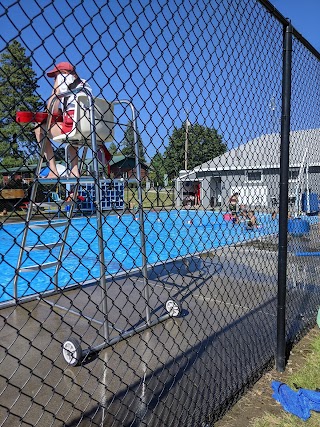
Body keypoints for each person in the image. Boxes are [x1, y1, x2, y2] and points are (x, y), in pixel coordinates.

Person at [34, 61, 92, 178]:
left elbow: (52, 109)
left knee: (38, 128)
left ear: (63, 73)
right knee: (73, 139)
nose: (54, 79)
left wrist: (55, 91)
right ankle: (74, 170)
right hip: (90, 128)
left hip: (73, 127)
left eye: (55, 76)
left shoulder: (63, 80)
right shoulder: (85, 84)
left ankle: (53, 170)